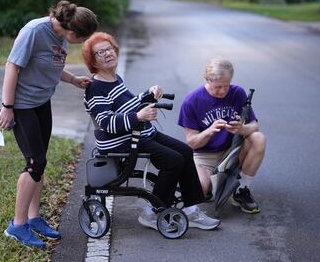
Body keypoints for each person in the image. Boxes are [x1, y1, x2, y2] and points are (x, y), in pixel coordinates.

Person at [82, 32, 220, 230]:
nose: (107, 54)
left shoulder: (114, 78)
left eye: (109, 49)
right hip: (122, 141)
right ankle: (151, 212)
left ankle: (191, 209)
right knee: (173, 160)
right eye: (100, 52)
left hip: (139, 133)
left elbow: (127, 105)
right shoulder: (95, 88)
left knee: (185, 151)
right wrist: (139, 116)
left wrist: (148, 94)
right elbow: (106, 123)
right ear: (92, 61)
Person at [0, 0, 98, 248]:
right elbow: (12, 67)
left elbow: (51, 65)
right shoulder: (34, 31)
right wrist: (7, 107)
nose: (81, 43)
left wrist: (72, 79)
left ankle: (33, 219)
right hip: (22, 105)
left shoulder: (60, 33)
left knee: (39, 161)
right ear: (73, 32)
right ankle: (17, 226)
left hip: (42, 102)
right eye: (83, 39)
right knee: (35, 163)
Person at [178, 57, 266, 214]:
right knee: (200, 190)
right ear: (207, 79)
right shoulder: (191, 101)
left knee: (258, 138)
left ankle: (241, 190)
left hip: (231, 152)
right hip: (204, 157)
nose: (223, 91)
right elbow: (191, 142)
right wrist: (209, 131)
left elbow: (255, 126)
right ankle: (212, 185)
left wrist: (241, 129)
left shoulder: (237, 92)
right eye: (218, 87)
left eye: (226, 86)